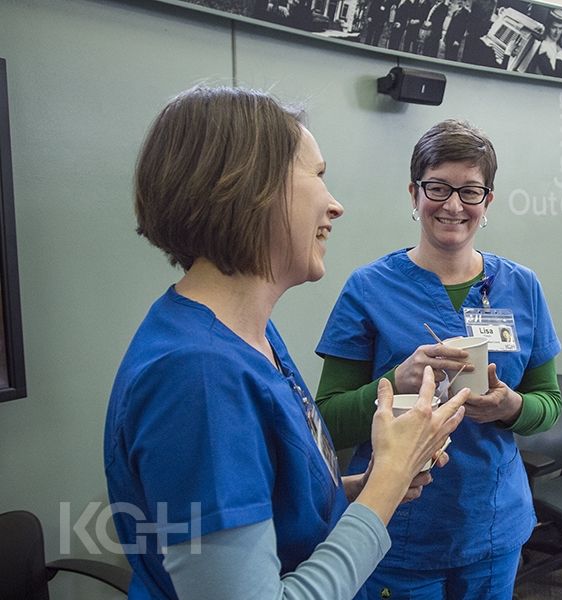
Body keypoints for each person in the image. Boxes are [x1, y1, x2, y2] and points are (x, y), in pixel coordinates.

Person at [104, 86, 467, 600]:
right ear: (252, 187)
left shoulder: (248, 336)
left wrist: (365, 486)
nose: (335, 205)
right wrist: (386, 486)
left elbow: (274, 510)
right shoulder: (198, 374)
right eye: (317, 176)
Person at [315, 119, 562, 599]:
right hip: (397, 526)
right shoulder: (368, 288)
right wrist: (396, 382)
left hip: (492, 524)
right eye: (438, 188)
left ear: (487, 202)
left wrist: (511, 407)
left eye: (470, 191)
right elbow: (327, 421)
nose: (453, 205)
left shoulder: (521, 286)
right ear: (414, 194)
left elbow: (548, 403)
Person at [527, 8, 562, 76]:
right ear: (548, 27)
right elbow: (551, 76)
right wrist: (560, 55)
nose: (557, 32)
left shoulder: (558, 45)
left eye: (560, 29)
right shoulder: (542, 47)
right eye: (554, 28)